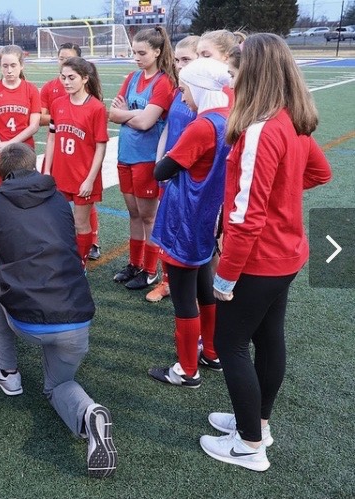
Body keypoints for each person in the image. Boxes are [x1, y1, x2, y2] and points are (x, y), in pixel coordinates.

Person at [199, 33, 332, 472]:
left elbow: (246, 217)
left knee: (229, 343)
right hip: (287, 254)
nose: (232, 80)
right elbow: (319, 172)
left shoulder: (262, 127)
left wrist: (225, 276)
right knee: (266, 338)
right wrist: (282, 195)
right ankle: (256, 424)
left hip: (261, 258)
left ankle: (250, 445)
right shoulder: (289, 118)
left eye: (237, 72)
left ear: (253, 73)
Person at [0, 143, 117, 478]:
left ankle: (8, 371)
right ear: (36, 166)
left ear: (3, 173)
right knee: (58, 385)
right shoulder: (58, 198)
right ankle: (89, 413)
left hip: (29, 319)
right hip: (76, 317)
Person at [147, 57, 232, 388]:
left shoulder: (202, 125)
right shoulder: (228, 117)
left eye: (185, 90)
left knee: (184, 297)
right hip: (209, 216)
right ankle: (211, 352)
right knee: (204, 287)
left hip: (187, 216)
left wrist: (166, 158)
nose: (183, 98)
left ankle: (186, 369)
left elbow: (162, 170)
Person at [109, 26, 177, 290]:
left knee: (149, 217)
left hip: (147, 158)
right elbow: (113, 114)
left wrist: (128, 115)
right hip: (126, 154)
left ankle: (151, 270)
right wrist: (131, 116)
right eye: (134, 52)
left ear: (158, 52)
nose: (136, 57)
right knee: (134, 213)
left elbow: (147, 122)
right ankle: (135, 264)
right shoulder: (132, 78)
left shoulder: (163, 81)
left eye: (142, 52)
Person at [146, 35, 200, 303]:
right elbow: (168, 128)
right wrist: (160, 163)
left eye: (186, 59)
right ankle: (167, 282)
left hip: (193, 177)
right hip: (171, 172)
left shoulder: (208, 95)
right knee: (166, 227)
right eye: (177, 60)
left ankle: (200, 288)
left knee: (193, 233)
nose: (180, 65)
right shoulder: (180, 91)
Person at [43, 57, 108, 266]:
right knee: (57, 221)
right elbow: (52, 137)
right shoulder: (57, 103)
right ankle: (62, 259)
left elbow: (100, 147)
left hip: (83, 176)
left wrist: (90, 179)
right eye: (63, 77)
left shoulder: (96, 108)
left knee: (81, 224)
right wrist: (46, 171)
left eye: (71, 77)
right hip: (60, 174)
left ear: (85, 78)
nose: (66, 82)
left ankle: (80, 265)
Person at [0, 45, 41, 190]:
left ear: (21, 65)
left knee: (25, 193)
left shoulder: (31, 89)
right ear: (0, 66)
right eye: (5, 66)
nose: (9, 70)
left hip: (24, 151)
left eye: (13, 65)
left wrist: (10, 145)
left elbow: (34, 125)